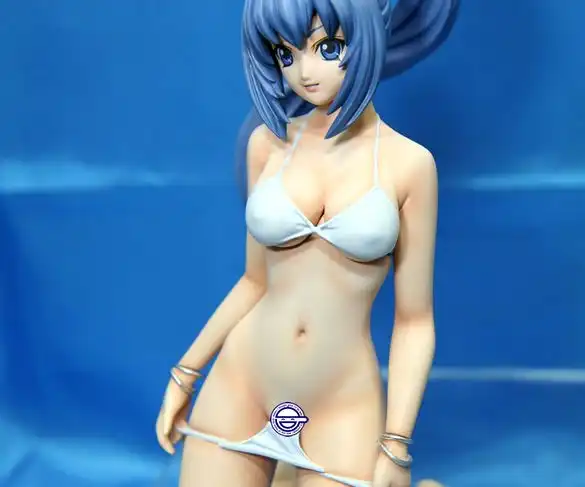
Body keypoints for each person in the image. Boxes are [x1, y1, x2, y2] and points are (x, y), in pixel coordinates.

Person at [155, 0, 460, 485]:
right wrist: (185, 374)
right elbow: (254, 282)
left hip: (341, 404)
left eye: (328, 47)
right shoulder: (267, 144)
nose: (304, 72)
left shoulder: (409, 164)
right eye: (285, 54)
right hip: (240, 384)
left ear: (365, 38)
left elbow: (414, 321)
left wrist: (396, 443)